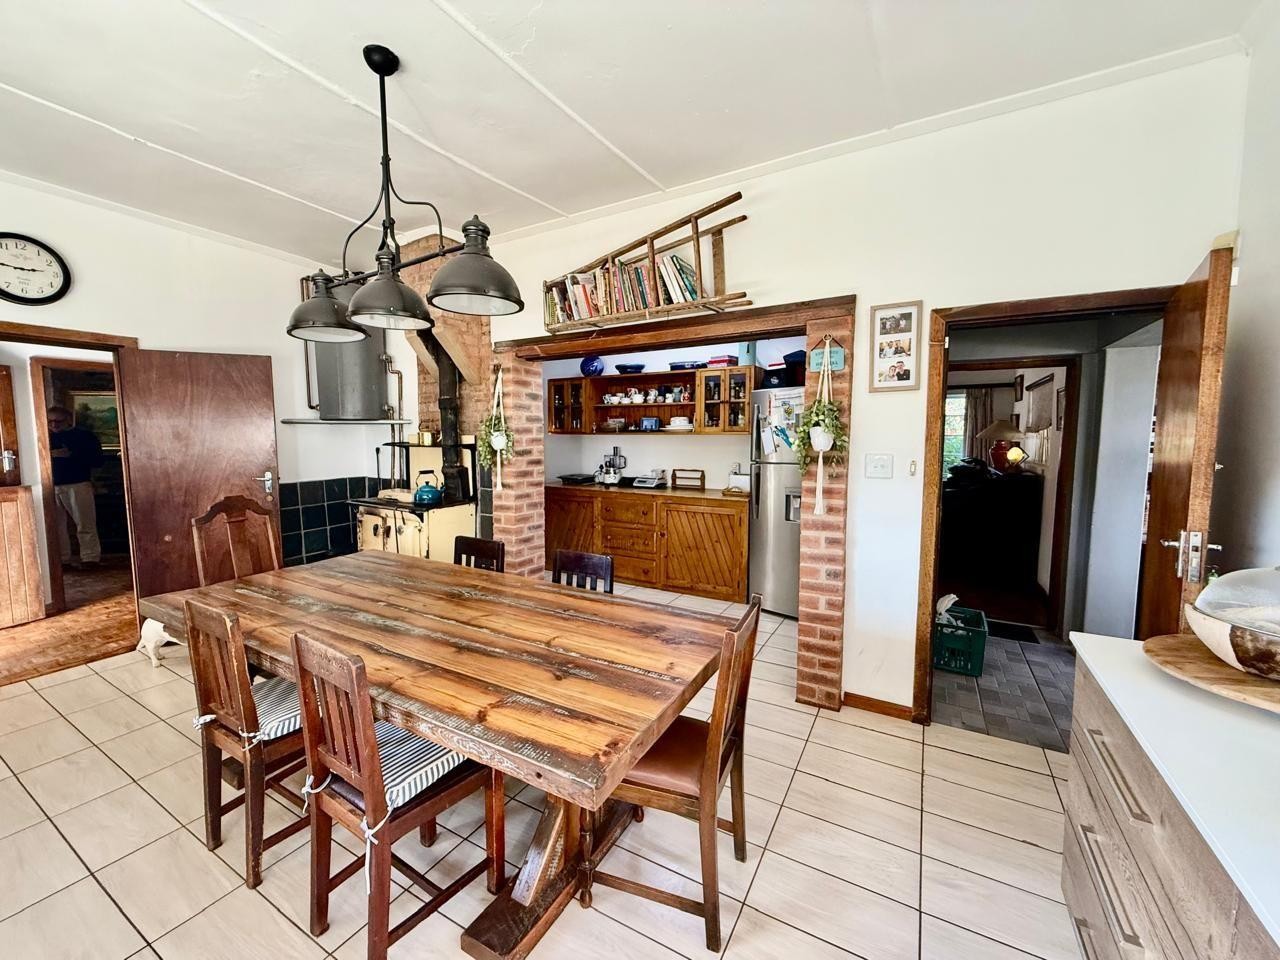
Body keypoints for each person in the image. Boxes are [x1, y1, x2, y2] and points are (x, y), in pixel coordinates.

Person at [48, 405, 103, 567]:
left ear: (68, 420)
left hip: (78, 483)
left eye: (58, 421)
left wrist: (72, 455)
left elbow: (98, 461)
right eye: (50, 421)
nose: (54, 425)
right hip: (50, 485)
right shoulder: (42, 436)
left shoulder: (84, 436)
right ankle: (62, 560)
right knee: (56, 526)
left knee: (85, 523)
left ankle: (90, 558)